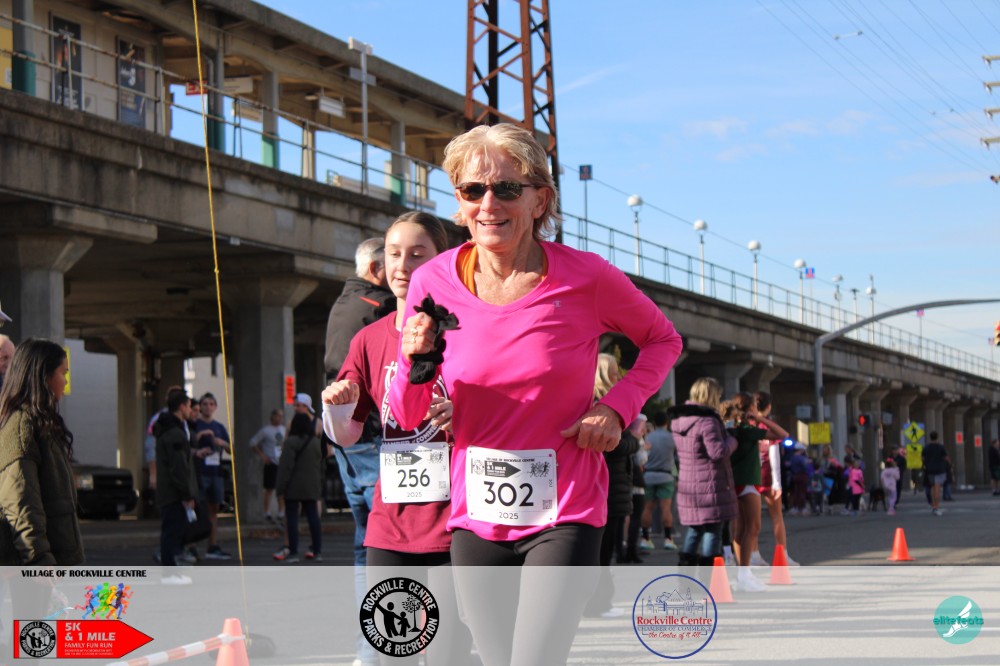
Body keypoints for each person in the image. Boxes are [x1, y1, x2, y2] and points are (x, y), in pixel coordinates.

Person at [389, 123, 682, 666]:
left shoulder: (586, 277)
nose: (488, 204)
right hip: (477, 512)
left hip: (565, 507)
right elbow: (408, 414)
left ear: (539, 200)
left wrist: (615, 408)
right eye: (472, 190)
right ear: (459, 202)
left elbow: (663, 340)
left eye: (506, 188)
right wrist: (414, 361)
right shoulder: (432, 281)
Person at [323, 211, 471, 666]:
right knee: (393, 652)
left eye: (416, 254)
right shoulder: (368, 338)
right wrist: (336, 407)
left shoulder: (469, 330)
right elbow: (347, 435)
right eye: (393, 254)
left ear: (442, 259)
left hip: (457, 521)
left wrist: (467, 412)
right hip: (391, 521)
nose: (402, 266)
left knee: (447, 653)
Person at [323, 238, 391, 666]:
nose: (403, 269)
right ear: (376, 268)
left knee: (365, 544)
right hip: (371, 434)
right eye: (395, 258)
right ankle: (386, 645)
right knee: (392, 541)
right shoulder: (381, 308)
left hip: (348, 438)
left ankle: (370, 649)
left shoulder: (343, 303)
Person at [0, 338, 83, 566]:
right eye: (63, 374)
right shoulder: (22, 425)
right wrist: (38, 559)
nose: (65, 382)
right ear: (44, 376)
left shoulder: (41, 423)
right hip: (35, 568)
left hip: (54, 559)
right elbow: (21, 501)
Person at [585, 354, 638, 618]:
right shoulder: (603, 404)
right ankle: (599, 603)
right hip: (607, 486)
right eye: (615, 373)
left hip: (607, 485)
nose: (619, 378)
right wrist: (634, 440)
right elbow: (611, 444)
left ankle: (598, 601)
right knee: (602, 549)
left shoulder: (590, 401)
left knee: (600, 549)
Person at [669, 377, 737, 576]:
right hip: (710, 485)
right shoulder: (708, 421)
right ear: (712, 396)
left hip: (688, 486)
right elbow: (717, 452)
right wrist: (732, 440)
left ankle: (686, 581)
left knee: (693, 531)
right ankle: (708, 581)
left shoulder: (679, 420)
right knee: (712, 532)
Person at [721, 391, 787, 592]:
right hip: (748, 481)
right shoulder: (747, 430)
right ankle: (744, 573)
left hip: (733, 481)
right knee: (753, 527)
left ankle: (743, 573)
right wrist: (760, 419)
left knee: (740, 529)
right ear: (751, 408)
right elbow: (782, 434)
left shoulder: (729, 430)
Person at [749, 391, 798, 566]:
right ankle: (782, 554)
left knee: (752, 520)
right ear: (768, 407)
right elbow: (774, 454)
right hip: (768, 477)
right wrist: (777, 483)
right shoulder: (770, 427)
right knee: (777, 517)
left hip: (751, 476)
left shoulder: (748, 425)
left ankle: (754, 554)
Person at [154, 388, 198, 583]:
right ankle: (170, 574)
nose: (190, 410)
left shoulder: (166, 430)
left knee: (171, 531)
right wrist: (187, 494)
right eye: (189, 406)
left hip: (169, 491)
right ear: (181, 407)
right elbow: (179, 467)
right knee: (172, 533)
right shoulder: (176, 434)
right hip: (174, 493)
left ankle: (171, 571)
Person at [273, 413, 324, 563]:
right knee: (313, 519)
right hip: (311, 486)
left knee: (292, 520)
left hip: (293, 486)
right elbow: (321, 465)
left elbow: (285, 467)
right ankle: (317, 550)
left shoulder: (290, 442)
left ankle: (293, 551)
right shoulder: (316, 442)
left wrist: (280, 488)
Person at [192, 392, 232, 559]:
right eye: (205, 404)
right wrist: (199, 437)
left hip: (216, 472)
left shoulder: (219, 427)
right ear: (200, 407)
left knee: (213, 509)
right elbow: (187, 446)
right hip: (200, 472)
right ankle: (191, 545)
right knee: (195, 509)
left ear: (215, 407)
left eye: (211, 404)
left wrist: (222, 443)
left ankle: (212, 545)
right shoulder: (195, 425)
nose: (208, 407)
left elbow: (231, 449)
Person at [641, 410, 678, 551]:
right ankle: (668, 538)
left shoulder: (648, 437)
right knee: (666, 508)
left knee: (647, 508)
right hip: (666, 475)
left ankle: (645, 538)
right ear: (667, 422)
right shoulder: (672, 437)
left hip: (649, 475)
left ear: (654, 423)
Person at [250, 408, 286, 523]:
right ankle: (267, 512)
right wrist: (262, 456)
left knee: (281, 488)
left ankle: (281, 512)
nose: (279, 418)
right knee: (269, 488)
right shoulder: (266, 430)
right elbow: (252, 443)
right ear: (272, 417)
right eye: (277, 416)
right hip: (271, 462)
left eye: (281, 416)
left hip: (281, 462)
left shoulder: (284, 430)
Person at [922, 431, 950, 516]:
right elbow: (946, 457)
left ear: (930, 437)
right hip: (939, 469)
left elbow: (922, 458)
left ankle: (933, 505)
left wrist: (926, 464)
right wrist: (948, 464)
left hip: (930, 469)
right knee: (937, 488)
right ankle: (936, 507)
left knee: (933, 487)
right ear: (937, 437)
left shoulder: (926, 447)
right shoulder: (941, 447)